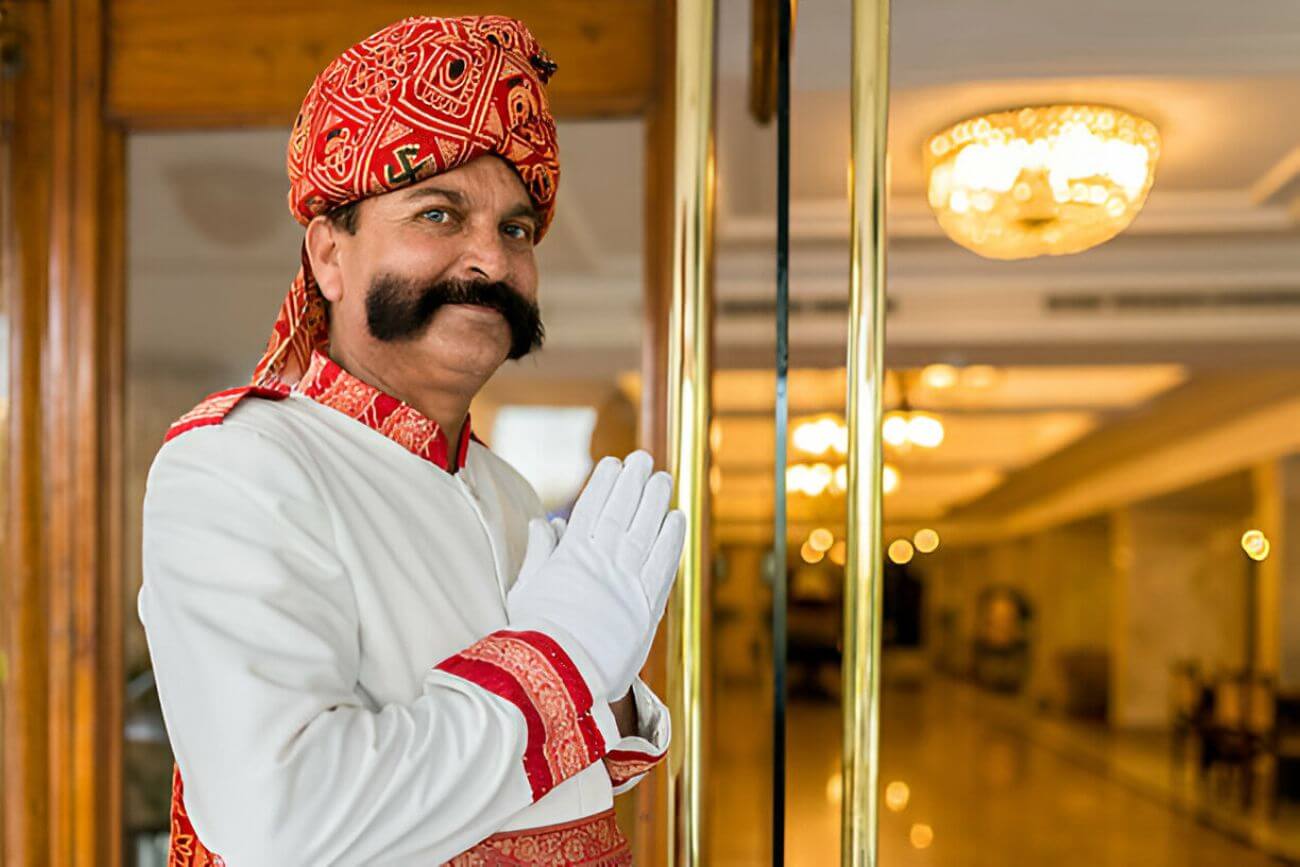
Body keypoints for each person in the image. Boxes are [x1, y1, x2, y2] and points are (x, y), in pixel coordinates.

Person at [138, 15, 685, 866]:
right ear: (329, 255)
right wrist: (565, 662)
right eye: (439, 213)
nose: (493, 263)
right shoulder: (238, 463)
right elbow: (284, 818)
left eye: (516, 229)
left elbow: (535, 781)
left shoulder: (500, 487)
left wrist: (599, 692)